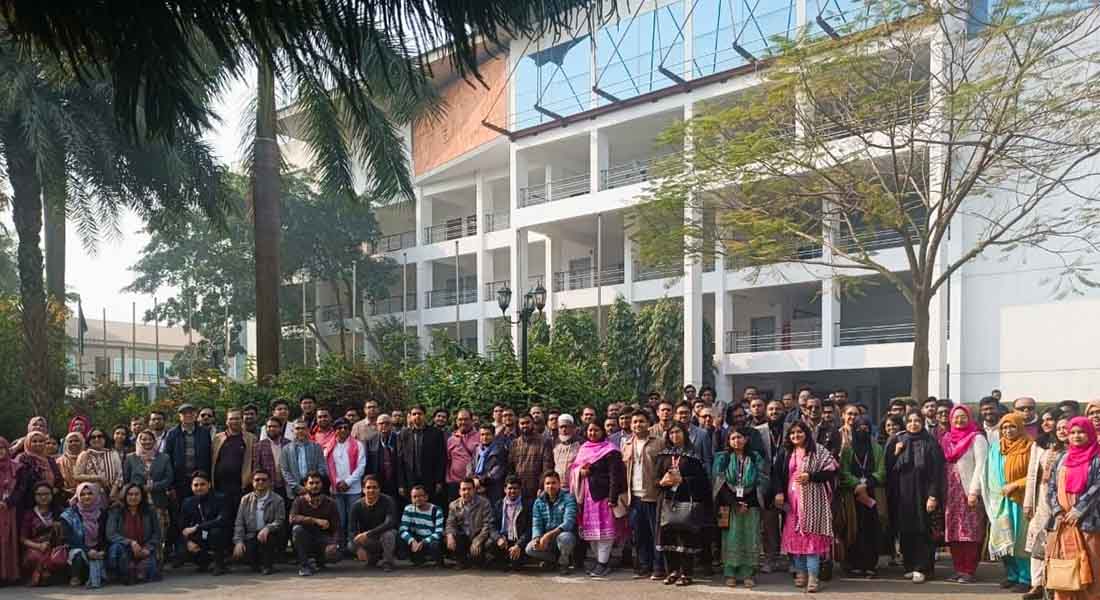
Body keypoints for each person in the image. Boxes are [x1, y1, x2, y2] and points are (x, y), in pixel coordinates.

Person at [774, 420, 837, 593]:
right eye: (792, 433)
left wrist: (811, 476)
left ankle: (813, 577)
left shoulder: (818, 450)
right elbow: (777, 474)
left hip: (814, 504)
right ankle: (800, 573)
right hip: (792, 504)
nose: (796, 435)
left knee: (811, 541)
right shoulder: (786, 452)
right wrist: (779, 492)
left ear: (807, 433)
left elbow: (831, 471)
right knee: (795, 540)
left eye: (799, 432)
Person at [1046, 416, 1100, 600]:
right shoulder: (1062, 458)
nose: (1076, 436)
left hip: (1089, 522)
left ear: (1090, 433)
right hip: (1063, 523)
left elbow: (1097, 487)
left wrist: (1078, 510)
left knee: (1091, 566)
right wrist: (1057, 511)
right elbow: (1051, 487)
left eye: (1082, 432)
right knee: (1064, 566)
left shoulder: (1097, 458)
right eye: (1073, 432)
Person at [654, 422, 710, 587]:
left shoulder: (693, 457)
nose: (674, 436)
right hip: (666, 500)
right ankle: (672, 571)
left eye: (678, 432)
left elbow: (702, 482)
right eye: (671, 433)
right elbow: (654, 479)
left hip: (686, 500)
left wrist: (683, 480)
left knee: (686, 537)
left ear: (685, 434)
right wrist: (662, 482)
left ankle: (686, 573)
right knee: (667, 535)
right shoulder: (663, 456)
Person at [567, 422, 626, 578]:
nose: (592, 433)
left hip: (604, 497)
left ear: (602, 431)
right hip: (587, 498)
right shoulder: (584, 448)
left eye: (596, 430)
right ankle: (600, 561)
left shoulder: (610, 450)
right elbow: (574, 468)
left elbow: (615, 476)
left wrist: (612, 498)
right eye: (590, 430)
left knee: (605, 532)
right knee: (591, 532)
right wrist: (580, 472)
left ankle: (603, 563)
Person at [984, 411, 1033, 592]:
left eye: (1012, 426)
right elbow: (988, 473)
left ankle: (1025, 578)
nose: (1008, 430)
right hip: (1000, 500)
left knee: (1020, 539)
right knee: (1004, 538)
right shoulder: (996, 447)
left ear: (1020, 427)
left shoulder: (1030, 446)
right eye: (1004, 427)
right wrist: (996, 494)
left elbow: (1036, 474)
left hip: (1020, 499)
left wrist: (1016, 484)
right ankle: (1012, 575)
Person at [714, 426, 768, 588]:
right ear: (728, 441)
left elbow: (762, 481)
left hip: (751, 505)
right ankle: (730, 572)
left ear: (746, 439)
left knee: (749, 537)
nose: (736, 441)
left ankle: (747, 573)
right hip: (729, 505)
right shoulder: (722, 458)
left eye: (739, 437)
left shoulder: (755, 457)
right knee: (730, 538)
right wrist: (735, 503)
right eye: (733, 438)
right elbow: (719, 483)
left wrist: (747, 502)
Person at [940, 405, 988, 584]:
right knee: (954, 533)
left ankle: (969, 570)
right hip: (950, 493)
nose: (959, 420)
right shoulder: (946, 438)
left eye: (963, 417)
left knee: (970, 532)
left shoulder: (977, 438)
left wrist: (974, 491)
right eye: (955, 417)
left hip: (967, 491)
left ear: (969, 418)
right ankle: (958, 569)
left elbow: (981, 466)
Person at [1022, 416, 1069, 599]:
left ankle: (1055, 585)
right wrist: (1028, 502)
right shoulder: (1044, 447)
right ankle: (1037, 584)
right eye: (1060, 428)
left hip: (1066, 501)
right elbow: (1033, 475)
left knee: (1058, 545)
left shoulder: (1075, 449)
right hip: (1043, 499)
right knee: (1038, 541)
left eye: (1066, 428)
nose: (1062, 431)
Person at [837, 416, 886, 578]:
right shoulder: (848, 449)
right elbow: (843, 471)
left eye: (866, 427)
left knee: (872, 529)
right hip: (852, 495)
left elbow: (882, 472)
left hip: (872, 494)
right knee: (853, 529)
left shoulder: (877, 448)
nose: (862, 430)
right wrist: (856, 484)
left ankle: (870, 565)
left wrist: (867, 483)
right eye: (859, 427)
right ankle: (853, 564)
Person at [622, 410, 666, 580]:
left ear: (649, 423)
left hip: (653, 495)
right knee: (639, 534)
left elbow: (665, 467)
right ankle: (644, 566)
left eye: (641, 421)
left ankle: (658, 567)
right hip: (634, 496)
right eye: (634, 422)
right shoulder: (627, 444)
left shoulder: (659, 442)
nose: (637, 424)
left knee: (656, 534)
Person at [122, 430, 173, 558]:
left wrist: (153, 487)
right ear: (138, 441)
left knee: (159, 531)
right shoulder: (130, 458)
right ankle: (141, 558)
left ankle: (158, 559)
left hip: (158, 500)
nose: (147, 442)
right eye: (143, 439)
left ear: (154, 441)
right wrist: (139, 489)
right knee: (143, 531)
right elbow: (126, 480)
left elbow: (169, 479)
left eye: (150, 439)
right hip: (137, 502)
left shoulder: (164, 457)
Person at [232, 469, 286, 575]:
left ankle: (267, 566)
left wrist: (268, 528)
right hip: (251, 535)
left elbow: (280, 520)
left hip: (270, 535)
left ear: (269, 482)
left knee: (269, 538)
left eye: (264, 480)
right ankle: (255, 564)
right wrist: (238, 542)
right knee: (244, 553)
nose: (260, 482)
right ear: (252, 482)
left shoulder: (277, 499)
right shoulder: (245, 499)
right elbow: (239, 523)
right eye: (257, 480)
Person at [106, 483, 161, 584]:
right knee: (116, 548)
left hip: (144, 549)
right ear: (125, 495)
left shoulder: (150, 510)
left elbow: (157, 534)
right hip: (125, 549)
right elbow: (111, 534)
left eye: (136, 494)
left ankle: (136, 572)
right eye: (130, 494)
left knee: (150, 572)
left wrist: (147, 548)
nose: (133, 497)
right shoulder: (116, 510)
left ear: (142, 496)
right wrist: (131, 543)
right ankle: (124, 572)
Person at [525, 470, 578, 575]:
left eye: (554, 483)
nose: (550, 486)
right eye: (547, 483)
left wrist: (548, 535)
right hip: (547, 539)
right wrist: (536, 539)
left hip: (564, 535)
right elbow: (536, 523)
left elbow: (569, 522)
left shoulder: (568, 498)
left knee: (565, 538)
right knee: (530, 549)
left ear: (559, 484)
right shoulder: (538, 501)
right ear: (544, 486)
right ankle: (554, 561)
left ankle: (564, 563)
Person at [211, 408, 256, 529]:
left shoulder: (251, 438)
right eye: (231, 419)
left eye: (237, 418)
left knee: (240, 518)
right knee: (222, 518)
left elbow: (254, 461)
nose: (234, 421)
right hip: (220, 487)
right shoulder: (217, 438)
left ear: (242, 420)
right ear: (226, 421)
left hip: (241, 486)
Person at [325, 418, 365, 551]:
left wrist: (348, 482)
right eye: (339, 428)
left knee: (353, 519)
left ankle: (353, 546)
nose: (343, 430)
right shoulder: (328, 447)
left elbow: (361, 466)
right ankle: (340, 546)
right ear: (334, 430)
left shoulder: (358, 445)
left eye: (346, 428)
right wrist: (337, 482)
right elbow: (327, 467)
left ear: (349, 430)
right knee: (339, 519)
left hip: (354, 488)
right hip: (336, 489)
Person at [291, 471, 342, 576]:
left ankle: (319, 562)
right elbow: (293, 518)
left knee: (335, 554)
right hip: (306, 537)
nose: (314, 486)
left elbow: (337, 527)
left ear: (322, 484)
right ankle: (304, 566)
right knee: (297, 530)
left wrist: (334, 543)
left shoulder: (330, 503)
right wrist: (315, 520)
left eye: (317, 483)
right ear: (305, 484)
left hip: (323, 538)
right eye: (311, 483)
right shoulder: (299, 501)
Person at [756, 399, 786, 574]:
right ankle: (770, 557)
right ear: (766, 412)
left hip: (787, 481)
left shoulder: (791, 428)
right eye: (771, 409)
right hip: (766, 483)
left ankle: (792, 558)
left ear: (784, 411)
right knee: (769, 524)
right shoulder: (758, 431)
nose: (774, 412)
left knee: (790, 521)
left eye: (778, 409)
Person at [177, 471, 228, 574]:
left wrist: (197, 527)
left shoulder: (220, 498)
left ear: (209, 485)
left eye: (202, 484)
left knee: (216, 532)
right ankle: (204, 562)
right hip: (199, 537)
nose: (199, 488)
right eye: (196, 485)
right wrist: (187, 542)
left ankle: (219, 564)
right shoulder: (187, 502)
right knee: (181, 549)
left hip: (216, 535)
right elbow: (181, 526)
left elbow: (221, 520)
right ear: (191, 487)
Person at [163, 404, 213, 504]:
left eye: (191, 413)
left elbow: (209, 456)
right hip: (179, 481)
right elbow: (167, 459)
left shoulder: (204, 433)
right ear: (180, 416)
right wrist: (170, 485)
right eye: (185, 413)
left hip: (200, 480)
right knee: (181, 508)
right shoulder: (172, 433)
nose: (188, 415)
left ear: (195, 415)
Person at [19, 481, 67, 586]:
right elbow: (23, 538)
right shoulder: (29, 514)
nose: (43, 497)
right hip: (35, 547)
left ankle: (40, 576)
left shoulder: (60, 512)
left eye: (46, 494)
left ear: (52, 495)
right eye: (39, 494)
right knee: (33, 556)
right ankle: (44, 575)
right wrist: (39, 546)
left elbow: (65, 536)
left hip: (55, 548)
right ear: (34, 496)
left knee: (56, 558)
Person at [396, 405, 446, 505]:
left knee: (429, 506)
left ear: (425, 416)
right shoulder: (403, 434)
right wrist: (401, 484)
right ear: (410, 416)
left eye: (419, 414)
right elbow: (400, 460)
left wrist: (439, 481)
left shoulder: (436, 433)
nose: (417, 416)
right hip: (410, 480)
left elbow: (441, 459)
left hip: (430, 479)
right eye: (414, 414)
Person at [61, 482, 108, 588]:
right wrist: (87, 551)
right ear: (78, 496)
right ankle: (75, 576)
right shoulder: (69, 515)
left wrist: (102, 551)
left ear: (95, 495)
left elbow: (105, 536)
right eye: (82, 494)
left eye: (90, 493)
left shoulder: (102, 513)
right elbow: (69, 538)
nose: (86, 497)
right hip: (78, 548)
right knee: (77, 554)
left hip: (97, 549)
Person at [348, 475, 397, 572]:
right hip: (369, 539)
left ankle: (387, 562)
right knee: (351, 544)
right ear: (363, 490)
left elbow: (389, 523)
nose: (371, 490)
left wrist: (368, 533)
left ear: (379, 489)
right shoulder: (356, 506)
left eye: (375, 487)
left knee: (389, 535)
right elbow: (351, 530)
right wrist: (358, 548)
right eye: (368, 487)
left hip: (384, 536)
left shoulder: (388, 501)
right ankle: (372, 558)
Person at [445, 478, 493, 569]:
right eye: (464, 489)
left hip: (479, 536)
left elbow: (488, 525)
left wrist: (478, 540)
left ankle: (481, 560)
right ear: (459, 491)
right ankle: (462, 561)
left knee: (488, 545)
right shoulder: (453, 505)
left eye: (469, 489)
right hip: (464, 538)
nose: (466, 492)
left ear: (474, 490)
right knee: (450, 537)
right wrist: (450, 536)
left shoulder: (484, 503)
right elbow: (450, 524)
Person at [509, 415, 554, 504]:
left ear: (532, 423)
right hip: (518, 491)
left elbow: (547, 467)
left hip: (537, 490)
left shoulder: (544, 442)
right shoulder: (514, 443)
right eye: (522, 423)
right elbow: (510, 467)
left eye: (527, 423)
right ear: (518, 425)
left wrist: (542, 487)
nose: (525, 425)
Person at [489, 476, 531, 570]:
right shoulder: (498, 504)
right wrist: (498, 538)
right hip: (503, 540)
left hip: (518, 540)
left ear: (520, 490)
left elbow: (529, 528)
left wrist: (519, 545)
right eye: (510, 488)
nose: (512, 491)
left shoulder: (527, 505)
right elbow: (491, 526)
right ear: (505, 489)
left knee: (516, 565)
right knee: (489, 544)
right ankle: (501, 560)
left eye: (515, 488)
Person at [398, 484, 444, 567]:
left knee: (435, 544)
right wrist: (412, 541)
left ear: (426, 497)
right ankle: (418, 559)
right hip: (417, 540)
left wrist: (424, 542)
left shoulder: (436, 510)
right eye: (414, 497)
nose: (417, 499)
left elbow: (439, 532)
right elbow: (402, 529)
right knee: (401, 538)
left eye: (420, 496)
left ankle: (439, 561)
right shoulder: (408, 509)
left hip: (430, 540)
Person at [280, 420, 328, 498]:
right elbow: (285, 471)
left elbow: (321, 466)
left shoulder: (316, 447)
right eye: (297, 428)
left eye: (303, 428)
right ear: (293, 431)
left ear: (307, 430)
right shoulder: (286, 449)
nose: (300, 431)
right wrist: (297, 487)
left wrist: (312, 484)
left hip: (314, 489)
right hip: (294, 491)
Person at [75, 428, 123, 505]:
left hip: (111, 494)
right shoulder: (84, 454)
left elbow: (119, 476)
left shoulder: (113, 453)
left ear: (105, 438)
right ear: (89, 440)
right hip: (89, 497)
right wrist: (98, 478)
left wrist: (112, 493)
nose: (96, 439)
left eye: (100, 436)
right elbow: (77, 476)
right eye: (93, 437)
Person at [16, 430, 64, 509]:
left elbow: (59, 478)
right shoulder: (23, 458)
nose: (38, 444)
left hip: (51, 499)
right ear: (28, 443)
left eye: (41, 441)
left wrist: (56, 488)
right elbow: (23, 481)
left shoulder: (49, 459)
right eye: (34, 441)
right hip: (30, 501)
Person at [254, 417, 292, 501]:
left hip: (287, 487)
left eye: (275, 426)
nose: (272, 429)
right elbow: (256, 467)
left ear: (280, 428)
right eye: (269, 426)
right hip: (268, 487)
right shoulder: (259, 446)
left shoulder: (289, 444)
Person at [445, 409, 478, 504]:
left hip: (473, 483)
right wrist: (448, 479)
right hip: (454, 484)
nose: (463, 422)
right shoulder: (451, 439)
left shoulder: (480, 436)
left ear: (471, 420)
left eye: (466, 419)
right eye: (460, 419)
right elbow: (447, 461)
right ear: (456, 421)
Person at [364, 414, 399, 498]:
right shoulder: (371, 440)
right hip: (378, 480)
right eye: (381, 423)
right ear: (376, 425)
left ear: (391, 425)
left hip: (396, 479)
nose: (384, 425)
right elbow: (368, 463)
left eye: (387, 423)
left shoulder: (399, 439)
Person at [0, 438, 20, 584]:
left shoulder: (17, 467)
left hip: (11, 510)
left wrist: (8, 502)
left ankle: (8, 575)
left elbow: (21, 489)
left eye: (2, 448)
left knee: (8, 542)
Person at [472, 423, 507, 503]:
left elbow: (498, 470)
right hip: (476, 488)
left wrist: (480, 481)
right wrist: (473, 479)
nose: (485, 437)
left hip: (493, 489)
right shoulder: (477, 449)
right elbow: (471, 465)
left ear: (493, 435)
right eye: (482, 434)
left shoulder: (500, 450)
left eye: (488, 434)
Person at [553, 414, 582, 489]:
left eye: (566, 426)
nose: (564, 429)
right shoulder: (554, 444)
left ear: (572, 428)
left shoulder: (581, 444)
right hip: (557, 487)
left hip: (575, 487)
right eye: (561, 427)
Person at [56, 432, 85, 497]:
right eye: (70, 441)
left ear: (82, 442)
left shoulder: (88, 458)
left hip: (86, 494)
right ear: (66, 444)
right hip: (65, 495)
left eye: (76, 441)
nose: (73, 443)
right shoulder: (59, 461)